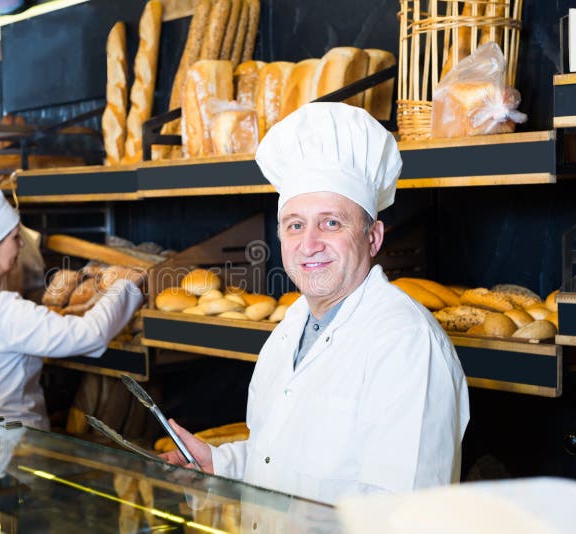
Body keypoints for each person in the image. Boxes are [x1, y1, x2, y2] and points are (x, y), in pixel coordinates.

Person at [163, 103, 470, 504]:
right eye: (295, 225)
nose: (309, 244)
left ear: (373, 238)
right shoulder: (294, 323)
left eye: (331, 222)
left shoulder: (406, 344)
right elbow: (284, 458)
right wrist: (221, 466)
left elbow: (402, 513)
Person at [0, 169, 144, 430]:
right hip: (15, 452)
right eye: (14, 237)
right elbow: (89, 335)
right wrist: (128, 284)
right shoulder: (4, 312)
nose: (21, 245)